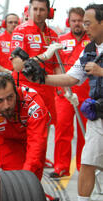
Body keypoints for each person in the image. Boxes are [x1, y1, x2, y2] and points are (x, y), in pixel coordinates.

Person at [27, 4, 103, 201]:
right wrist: (43, 79)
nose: (85, 27)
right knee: (88, 162)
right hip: (98, 116)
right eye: (83, 22)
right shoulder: (89, 49)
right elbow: (71, 78)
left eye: (89, 23)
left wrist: (101, 72)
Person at [50, 7, 90, 178]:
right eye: (73, 20)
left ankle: (83, 166)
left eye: (80, 20)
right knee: (62, 131)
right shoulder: (61, 40)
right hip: (64, 94)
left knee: (86, 133)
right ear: (68, 22)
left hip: (87, 94)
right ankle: (61, 167)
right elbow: (56, 65)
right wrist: (64, 89)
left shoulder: (93, 41)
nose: (77, 24)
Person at [10, 0, 62, 126]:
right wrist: (44, 56)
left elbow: (56, 67)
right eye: (35, 9)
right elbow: (17, 66)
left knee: (45, 131)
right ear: (29, 10)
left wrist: (66, 91)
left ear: (48, 12)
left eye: (42, 9)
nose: (38, 13)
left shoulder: (53, 35)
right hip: (26, 90)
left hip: (48, 90)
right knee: (28, 135)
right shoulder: (20, 31)